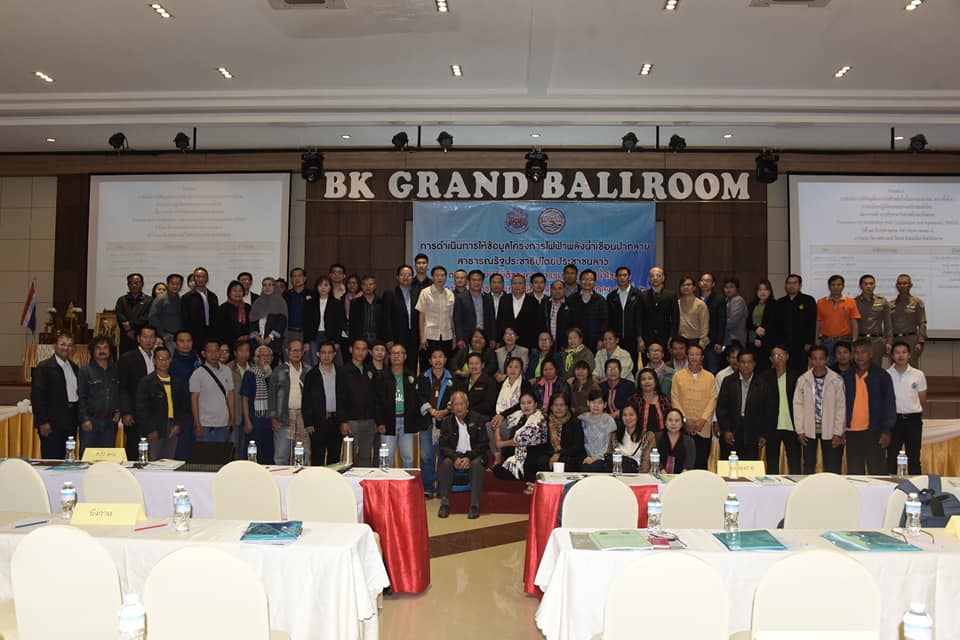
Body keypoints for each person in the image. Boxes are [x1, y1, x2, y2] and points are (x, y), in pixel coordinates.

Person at [843, 339, 896, 475]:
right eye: (856, 352)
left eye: (863, 352)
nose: (859, 356)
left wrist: (886, 430)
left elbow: (889, 404)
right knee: (855, 474)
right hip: (852, 432)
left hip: (874, 431)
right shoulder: (846, 376)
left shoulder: (882, 376)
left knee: (877, 473)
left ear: (871, 354)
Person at [793, 345, 846, 474]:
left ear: (827, 360)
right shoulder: (803, 380)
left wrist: (838, 432)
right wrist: (800, 430)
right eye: (815, 359)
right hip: (809, 429)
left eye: (821, 359)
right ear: (810, 360)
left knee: (832, 465)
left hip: (830, 429)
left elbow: (841, 407)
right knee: (809, 465)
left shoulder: (836, 380)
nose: (818, 362)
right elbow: (797, 405)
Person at [437, 391, 489, 518]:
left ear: (467, 404)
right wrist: (455, 457)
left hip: (474, 455)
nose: (459, 407)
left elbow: (483, 444)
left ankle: (474, 505)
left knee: (476, 465)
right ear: (451, 407)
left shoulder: (478, 419)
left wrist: (469, 457)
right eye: (455, 404)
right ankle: (444, 503)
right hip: (455, 455)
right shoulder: (446, 422)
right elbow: (443, 446)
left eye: (461, 404)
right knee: (446, 464)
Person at [717, 350, 773, 462]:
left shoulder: (762, 384)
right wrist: (726, 430)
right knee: (729, 465)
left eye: (749, 362)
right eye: (743, 362)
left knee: (749, 466)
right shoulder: (729, 381)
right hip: (732, 430)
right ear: (738, 363)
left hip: (753, 432)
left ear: (754, 364)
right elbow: (722, 408)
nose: (746, 365)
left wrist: (764, 434)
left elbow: (768, 412)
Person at [31, 333, 80, 459]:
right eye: (62, 344)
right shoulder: (44, 367)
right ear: (55, 346)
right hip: (52, 424)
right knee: (52, 459)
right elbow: (37, 397)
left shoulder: (75, 368)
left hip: (70, 421)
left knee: (68, 459)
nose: (66, 348)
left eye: (69, 345)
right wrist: (42, 422)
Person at [670, 343, 717, 469]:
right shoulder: (678, 376)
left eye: (697, 354)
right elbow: (675, 399)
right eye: (691, 354)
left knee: (701, 462)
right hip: (684, 426)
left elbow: (713, 400)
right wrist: (685, 419)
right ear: (687, 356)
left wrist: (703, 420)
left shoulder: (710, 377)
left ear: (702, 357)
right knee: (684, 463)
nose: (694, 357)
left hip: (703, 427)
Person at [135, 346, 187, 460]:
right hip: (154, 427)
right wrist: (150, 430)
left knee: (169, 461)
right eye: (160, 359)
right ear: (154, 361)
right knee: (152, 460)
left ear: (170, 360)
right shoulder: (147, 381)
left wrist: (179, 425)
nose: (163, 362)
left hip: (172, 427)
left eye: (166, 359)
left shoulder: (176, 382)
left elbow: (182, 407)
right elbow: (141, 409)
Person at [493, 391, 550, 493]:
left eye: (529, 403)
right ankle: (532, 479)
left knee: (516, 465)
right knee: (498, 469)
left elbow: (519, 440)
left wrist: (501, 443)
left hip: (536, 454)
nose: (526, 406)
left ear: (535, 404)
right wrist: (497, 430)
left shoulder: (539, 419)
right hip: (521, 455)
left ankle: (536, 481)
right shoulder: (519, 417)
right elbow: (499, 425)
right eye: (523, 403)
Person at [337, 338, 382, 467]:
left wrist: (377, 420)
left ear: (368, 352)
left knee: (365, 456)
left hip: (369, 421)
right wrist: (343, 421)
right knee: (349, 458)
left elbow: (375, 398)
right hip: (351, 421)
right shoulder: (343, 371)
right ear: (351, 349)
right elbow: (340, 397)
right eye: (357, 348)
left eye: (363, 349)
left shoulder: (370, 370)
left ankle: (363, 480)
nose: (360, 352)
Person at [417, 347, 455, 497]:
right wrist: (431, 411)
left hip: (447, 423)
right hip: (427, 421)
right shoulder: (422, 377)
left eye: (440, 357)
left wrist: (445, 411)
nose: (437, 360)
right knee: (427, 456)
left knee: (444, 455)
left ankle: (441, 488)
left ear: (445, 360)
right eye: (434, 357)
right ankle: (427, 488)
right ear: (429, 360)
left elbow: (456, 398)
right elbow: (418, 396)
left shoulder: (453, 379)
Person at [375, 343, 420, 469]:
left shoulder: (411, 376)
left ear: (405, 356)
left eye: (400, 353)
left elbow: (416, 401)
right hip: (388, 422)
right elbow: (377, 402)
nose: (396, 356)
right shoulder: (382, 376)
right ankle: (387, 482)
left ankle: (407, 482)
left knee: (409, 458)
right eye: (394, 353)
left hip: (406, 422)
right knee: (387, 459)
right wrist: (380, 422)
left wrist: (414, 421)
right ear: (389, 356)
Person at [887, 341, 927, 475]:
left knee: (914, 457)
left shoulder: (918, 374)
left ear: (909, 355)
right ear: (892, 355)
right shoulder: (886, 374)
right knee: (892, 457)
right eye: (897, 353)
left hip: (913, 421)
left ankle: (916, 485)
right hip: (894, 421)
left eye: (904, 352)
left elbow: (922, 399)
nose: (901, 356)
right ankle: (892, 485)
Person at [118, 325, 158, 460]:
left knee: (153, 452)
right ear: (138, 339)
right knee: (134, 450)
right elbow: (123, 387)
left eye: (152, 337)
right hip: (134, 413)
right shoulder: (128, 357)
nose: (149, 340)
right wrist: (126, 412)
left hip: (154, 413)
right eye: (145, 337)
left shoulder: (158, 358)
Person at [759, 346, 800, 474]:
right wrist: (762, 431)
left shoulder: (796, 377)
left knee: (795, 463)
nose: (779, 358)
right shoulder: (764, 378)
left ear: (787, 356)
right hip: (772, 426)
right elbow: (760, 405)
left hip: (792, 426)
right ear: (771, 359)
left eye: (782, 355)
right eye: (776, 355)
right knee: (772, 464)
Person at [488, 356, 536, 463]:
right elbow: (495, 403)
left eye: (516, 367)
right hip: (502, 417)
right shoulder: (501, 384)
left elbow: (522, 404)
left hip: (517, 418)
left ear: (521, 370)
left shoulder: (525, 384)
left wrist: (503, 415)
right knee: (488, 425)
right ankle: (497, 455)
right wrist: (497, 417)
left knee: (500, 426)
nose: (513, 370)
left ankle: (503, 455)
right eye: (510, 367)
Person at [301, 341, 341, 466]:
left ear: (334, 354)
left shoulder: (341, 373)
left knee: (335, 458)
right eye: (323, 352)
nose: (326, 356)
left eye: (330, 352)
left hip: (337, 421)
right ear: (318, 354)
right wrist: (308, 423)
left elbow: (346, 398)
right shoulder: (311, 375)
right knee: (317, 457)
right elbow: (306, 400)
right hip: (318, 422)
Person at [77, 336, 120, 452]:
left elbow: (121, 392)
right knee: (87, 457)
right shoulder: (85, 371)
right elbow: (81, 396)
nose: (102, 351)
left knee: (107, 458)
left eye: (105, 347)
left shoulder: (117, 370)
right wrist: (84, 419)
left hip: (110, 423)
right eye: (98, 348)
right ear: (92, 350)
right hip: (91, 422)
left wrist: (119, 410)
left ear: (110, 350)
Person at [189, 339, 236, 444]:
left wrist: (232, 417)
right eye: (210, 351)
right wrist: (197, 424)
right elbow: (194, 399)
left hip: (224, 423)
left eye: (216, 351)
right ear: (204, 354)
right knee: (205, 454)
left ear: (220, 352)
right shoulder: (198, 373)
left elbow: (230, 395)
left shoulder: (227, 371)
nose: (213, 355)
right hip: (205, 424)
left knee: (221, 453)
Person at [241, 345, 276, 464]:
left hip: (269, 422)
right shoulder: (249, 374)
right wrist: (247, 420)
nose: (266, 358)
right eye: (262, 355)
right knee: (253, 456)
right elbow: (244, 398)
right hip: (254, 421)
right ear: (256, 358)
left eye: (268, 355)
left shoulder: (273, 375)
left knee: (268, 455)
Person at [774, 274, 817, 373]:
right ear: (785, 285)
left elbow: (811, 323)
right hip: (784, 344)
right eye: (789, 283)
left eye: (794, 283)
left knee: (800, 371)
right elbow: (776, 325)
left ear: (800, 285)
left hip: (801, 345)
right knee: (784, 370)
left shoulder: (808, 300)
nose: (791, 286)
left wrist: (809, 342)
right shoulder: (780, 302)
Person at [416, 265, 456, 368]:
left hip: (447, 336)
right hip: (430, 335)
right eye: (437, 275)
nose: (440, 278)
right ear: (432, 277)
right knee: (427, 365)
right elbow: (421, 315)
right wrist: (422, 336)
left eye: (442, 275)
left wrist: (454, 336)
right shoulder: (425, 293)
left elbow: (451, 317)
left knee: (445, 365)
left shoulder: (450, 294)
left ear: (446, 277)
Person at [381, 265, 421, 365]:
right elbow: (386, 318)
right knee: (396, 365)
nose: (406, 277)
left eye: (409, 275)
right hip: (396, 337)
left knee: (412, 365)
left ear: (412, 277)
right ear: (397, 277)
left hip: (414, 338)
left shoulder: (418, 294)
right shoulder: (390, 294)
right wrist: (389, 339)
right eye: (403, 274)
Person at [816, 275, 860, 366]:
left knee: (846, 366)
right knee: (829, 367)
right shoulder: (821, 302)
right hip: (827, 341)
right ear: (829, 286)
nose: (836, 287)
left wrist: (854, 341)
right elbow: (819, 322)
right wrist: (816, 341)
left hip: (845, 341)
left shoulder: (851, 302)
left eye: (839, 284)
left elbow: (854, 323)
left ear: (843, 286)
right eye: (833, 285)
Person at [304, 275, 346, 367]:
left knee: (328, 362)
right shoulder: (310, 303)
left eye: (326, 285)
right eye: (320, 285)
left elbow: (339, 324)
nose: (323, 288)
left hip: (330, 336)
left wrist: (337, 341)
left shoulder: (336, 303)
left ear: (330, 287)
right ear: (316, 287)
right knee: (315, 363)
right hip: (314, 336)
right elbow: (306, 323)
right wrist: (306, 341)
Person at [170, 330, 199, 460]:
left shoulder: (197, 361)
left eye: (189, 341)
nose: (186, 344)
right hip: (181, 413)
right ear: (175, 344)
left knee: (196, 453)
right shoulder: (171, 364)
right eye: (182, 341)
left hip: (198, 411)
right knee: (181, 452)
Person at [607, 266, 643, 365]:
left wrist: (640, 337)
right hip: (616, 340)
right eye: (619, 275)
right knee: (616, 365)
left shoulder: (638, 295)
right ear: (616, 278)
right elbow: (609, 319)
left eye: (624, 275)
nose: (622, 278)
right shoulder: (611, 296)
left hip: (633, 339)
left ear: (629, 277)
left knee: (632, 365)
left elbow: (640, 318)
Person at [637, 266, 677, 354]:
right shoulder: (642, 296)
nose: (655, 278)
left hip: (665, 338)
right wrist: (639, 338)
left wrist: (672, 338)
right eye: (652, 276)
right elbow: (638, 319)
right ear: (649, 279)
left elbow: (675, 319)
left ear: (663, 278)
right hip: (647, 338)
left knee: (665, 361)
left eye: (658, 275)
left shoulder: (671, 295)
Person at [890, 274, 927, 368]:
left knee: (912, 368)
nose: (902, 285)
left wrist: (921, 342)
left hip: (911, 340)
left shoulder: (917, 302)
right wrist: (888, 342)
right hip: (895, 340)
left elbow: (922, 323)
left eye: (905, 283)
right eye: (899, 283)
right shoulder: (891, 304)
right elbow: (888, 326)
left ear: (910, 285)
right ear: (896, 286)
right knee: (894, 368)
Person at [855, 274, 892, 367]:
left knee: (876, 368)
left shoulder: (882, 301)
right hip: (860, 340)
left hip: (877, 341)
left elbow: (888, 324)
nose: (869, 286)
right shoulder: (854, 302)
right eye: (866, 284)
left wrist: (889, 342)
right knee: (860, 367)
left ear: (875, 285)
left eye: (871, 284)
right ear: (860, 286)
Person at [566, 269, 608, 351]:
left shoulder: (600, 300)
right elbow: (568, 321)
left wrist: (601, 339)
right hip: (576, 341)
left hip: (595, 342)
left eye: (590, 280)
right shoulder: (572, 299)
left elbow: (604, 322)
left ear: (594, 282)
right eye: (584, 279)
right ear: (580, 281)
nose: (587, 282)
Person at [249, 277, 288, 363]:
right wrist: (257, 337)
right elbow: (252, 322)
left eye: (270, 285)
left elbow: (281, 323)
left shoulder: (280, 302)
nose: (267, 287)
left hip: (273, 343)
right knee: (257, 367)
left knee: (271, 368)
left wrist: (269, 338)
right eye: (264, 285)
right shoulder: (257, 303)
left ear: (274, 287)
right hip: (257, 342)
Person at [454, 269, 496, 347]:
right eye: (474, 280)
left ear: (482, 282)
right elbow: (458, 320)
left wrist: (493, 337)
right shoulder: (460, 298)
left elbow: (492, 319)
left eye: (479, 280)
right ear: (468, 281)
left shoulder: (488, 298)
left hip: (485, 337)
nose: (476, 283)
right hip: (467, 338)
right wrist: (460, 339)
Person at [180, 267, 218, 354]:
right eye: (198, 277)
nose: (201, 279)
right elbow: (184, 318)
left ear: (207, 279)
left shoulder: (213, 296)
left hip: (211, 333)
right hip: (195, 334)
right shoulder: (187, 297)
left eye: (203, 277)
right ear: (194, 279)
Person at [611, 402, 656, 473]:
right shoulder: (614, 436)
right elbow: (610, 456)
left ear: (637, 416)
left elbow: (647, 461)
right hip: (619, 473)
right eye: (624, 415)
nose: (628, 418)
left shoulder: (648, 436)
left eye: (631, 415)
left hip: (640, 474)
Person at [545, 392, 585, 472]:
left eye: (562, 405)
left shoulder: (575, 422)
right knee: (542, 461)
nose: (559, 408)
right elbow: (543, 446)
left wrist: (559, 454)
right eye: (556, 405)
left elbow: (578, 447)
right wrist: (553, 455)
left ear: (567, 407)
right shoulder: (545, 422)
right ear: (551, 407)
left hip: (570, 456)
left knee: (562, 462)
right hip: (550, 454)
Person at [578, 389, 617, 472]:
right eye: (593, 402)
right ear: (588, 403)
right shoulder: (581, 419)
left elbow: (609, 446)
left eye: (600, 403)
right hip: (586, 457)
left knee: (592, 467)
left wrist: (596, 458)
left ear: (605, 405)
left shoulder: (608, 420)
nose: (596, 405)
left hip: (604, 458)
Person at [498, 273, 540, 349]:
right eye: (514, 283)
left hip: (526, 343)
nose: (517, 286)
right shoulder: (504, 299)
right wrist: (499, 340)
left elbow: (536, 325)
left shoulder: (533, 302)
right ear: (511, 285)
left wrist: (534, 345)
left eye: (520, 283)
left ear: (525, 286)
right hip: (506, 343)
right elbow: (499, 321)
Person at [115, 272, 153, 354]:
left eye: (136, 283)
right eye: (131, 283)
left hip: (142, 335)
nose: (134, 285)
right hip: (125, 335)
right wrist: (128, 330)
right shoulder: (122, 300)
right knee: (125, 358)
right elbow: (119, 315)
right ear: (128, 285)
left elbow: (147, 317)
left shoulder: (149, 300)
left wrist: (131, 326)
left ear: (142, 284)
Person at [454, 352, 499, 420]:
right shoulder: (463, 383)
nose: (474, 366)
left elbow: (488, 405)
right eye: (471, 363)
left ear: (482, 365)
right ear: (468, 365)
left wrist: (467, 411)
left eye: (477, 363)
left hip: (482, 416)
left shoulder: (490, 382)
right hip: (464, 414)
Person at [226, 341, 252, 459]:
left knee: (247, 447)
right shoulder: (228, 368)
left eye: (247, 350)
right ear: (235, 352)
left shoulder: (253, 368)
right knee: (234, 446)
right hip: (235, 413)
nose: (244, 353)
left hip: (250, 413)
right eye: (241, 350)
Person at [629, 367, 672, 434]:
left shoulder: (664, 400)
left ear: (655, 382)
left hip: (662, 437)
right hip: (639, 436)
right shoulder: (634, 400)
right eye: (643, 379)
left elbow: (670, 420)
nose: (647, 382)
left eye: (650, 378)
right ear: (639, 383)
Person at [699, 273, 726, 373]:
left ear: (713, 284)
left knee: (712, 370)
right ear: (699, 283)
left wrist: (719, 342)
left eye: (708, 281)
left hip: (713, 342)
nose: (705, 283)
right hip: (698, 341)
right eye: (703, 280)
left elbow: (722, 322)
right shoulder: (696, 299)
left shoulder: (719, 299)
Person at [148, 273, 184, 351]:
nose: (175, 286)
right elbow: (152, 317)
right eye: (172, 284)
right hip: (166, 337)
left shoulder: (181, 300)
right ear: (167, 284)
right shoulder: (160, 299)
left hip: (177, 337)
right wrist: (162, 334)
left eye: (178, 284)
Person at [747, 279, 776, 370]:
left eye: (765, 289)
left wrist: (760, 338)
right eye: (760, 289)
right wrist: (756, 328)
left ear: (770, 292)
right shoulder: (752, 304)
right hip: (751, 340)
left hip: (766, 341)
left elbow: (771, 323)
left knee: (764, 368)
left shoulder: (774, 304)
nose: (762, 292)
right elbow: (747, 321)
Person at [657, 408, 697, 473]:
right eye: (670, 420)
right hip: (659, 474)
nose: (673, 423)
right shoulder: (657, 437)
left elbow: (689, 463)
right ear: (665, 422)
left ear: (682, 424)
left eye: (677, 420)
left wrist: (683, 474)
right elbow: (653, 458)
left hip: (682, 476)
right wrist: (661, 470)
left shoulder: (689, 441)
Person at [215, 280, 251, 351]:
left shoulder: (248, 308)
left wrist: (248, 336)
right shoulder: (223, 309)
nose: (237, 293)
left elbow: (253, 325)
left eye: (240, 291)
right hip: (229, 345)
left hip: (247, 344)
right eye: (234, 291)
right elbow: (220, 329)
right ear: (229, 293)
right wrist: (236, 338)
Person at [348, 274, 382, 347]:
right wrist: (351, 343)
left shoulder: (381, 302)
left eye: (370, 284)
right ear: (361, 286)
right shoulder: (355, 303)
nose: (368, 287)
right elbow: (351, 325)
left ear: (375, 286)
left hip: (377, 339)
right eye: (364, 284)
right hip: (360, 338)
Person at [677, 276, 709, 351]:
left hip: (695, 341)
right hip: (680, 341)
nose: (685, 287)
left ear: (694, 288)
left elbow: (704, 326)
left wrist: (701, 344)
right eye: (683, 285)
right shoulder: (677, 303)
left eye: (688, 285)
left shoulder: (700, 304)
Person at [541, 280, 574, 350]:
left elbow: (574, 326)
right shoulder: (544, 303)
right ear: (550, 290)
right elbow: (539, 324)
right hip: (546, 345)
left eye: (560, 288)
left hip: (565, 346)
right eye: (554, 289)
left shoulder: (571, 304)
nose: (557, 291)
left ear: (564, 290)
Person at [283, 267, 311, 350]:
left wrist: (308, 339)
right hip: (288, 333)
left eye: (299, 276)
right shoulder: (285, 295)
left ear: (305, 278)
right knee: (288, 356)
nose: (297, 278)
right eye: (294, 276)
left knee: (306, 357)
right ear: (291, 279)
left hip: (305, 334)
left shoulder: (312, 295)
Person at [722, 276, 748, 354]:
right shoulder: (726, 300)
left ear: (736, 288)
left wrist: (718, 326)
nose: (728, 289)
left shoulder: (738, 300)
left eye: (731, 287)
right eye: (726, 287)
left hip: (736, 339)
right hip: (728, 340)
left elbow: (732, 321)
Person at [488, 272, 506, 343]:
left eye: (499, 282)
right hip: (488, 337)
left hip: (505, 337)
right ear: (490, 284)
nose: (497, 285)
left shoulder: (509, 299)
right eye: (494, 282)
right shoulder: (484, 298)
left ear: (503, 284)